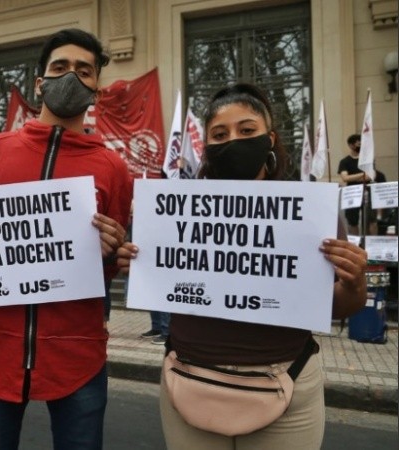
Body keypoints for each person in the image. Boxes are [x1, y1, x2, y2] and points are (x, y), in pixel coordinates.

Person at [117, 83, 367, 449]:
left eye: (247, 130)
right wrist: (139, 265)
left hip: (286, 385)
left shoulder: (311, 213)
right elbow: (162, 280)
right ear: (207, 147)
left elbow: (340, 305)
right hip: (188, 381)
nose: (233, 140)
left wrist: (354, 280)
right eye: (220, 134)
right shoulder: (173, 213)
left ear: (270, 139)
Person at [0, 28, 130, 449]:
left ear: (97, 88)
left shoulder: (113, 167)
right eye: (60, 67)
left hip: (79, 354)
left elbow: (112, 266)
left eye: (83, 70)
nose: (71, 76)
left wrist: (116, 251)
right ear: (40, 82)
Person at [337, 133, 371, 235]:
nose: (360, 146)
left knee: (370, 219)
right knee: (352, 221)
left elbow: (369, 176)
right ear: (351, 145)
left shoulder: (367, 160)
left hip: (366, 191)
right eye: (358, 144)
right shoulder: (344, 161)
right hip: (352, 193)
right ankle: (357, 243)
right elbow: (345, 178)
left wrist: (353, 177)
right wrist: (362, 174)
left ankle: (369, 244)